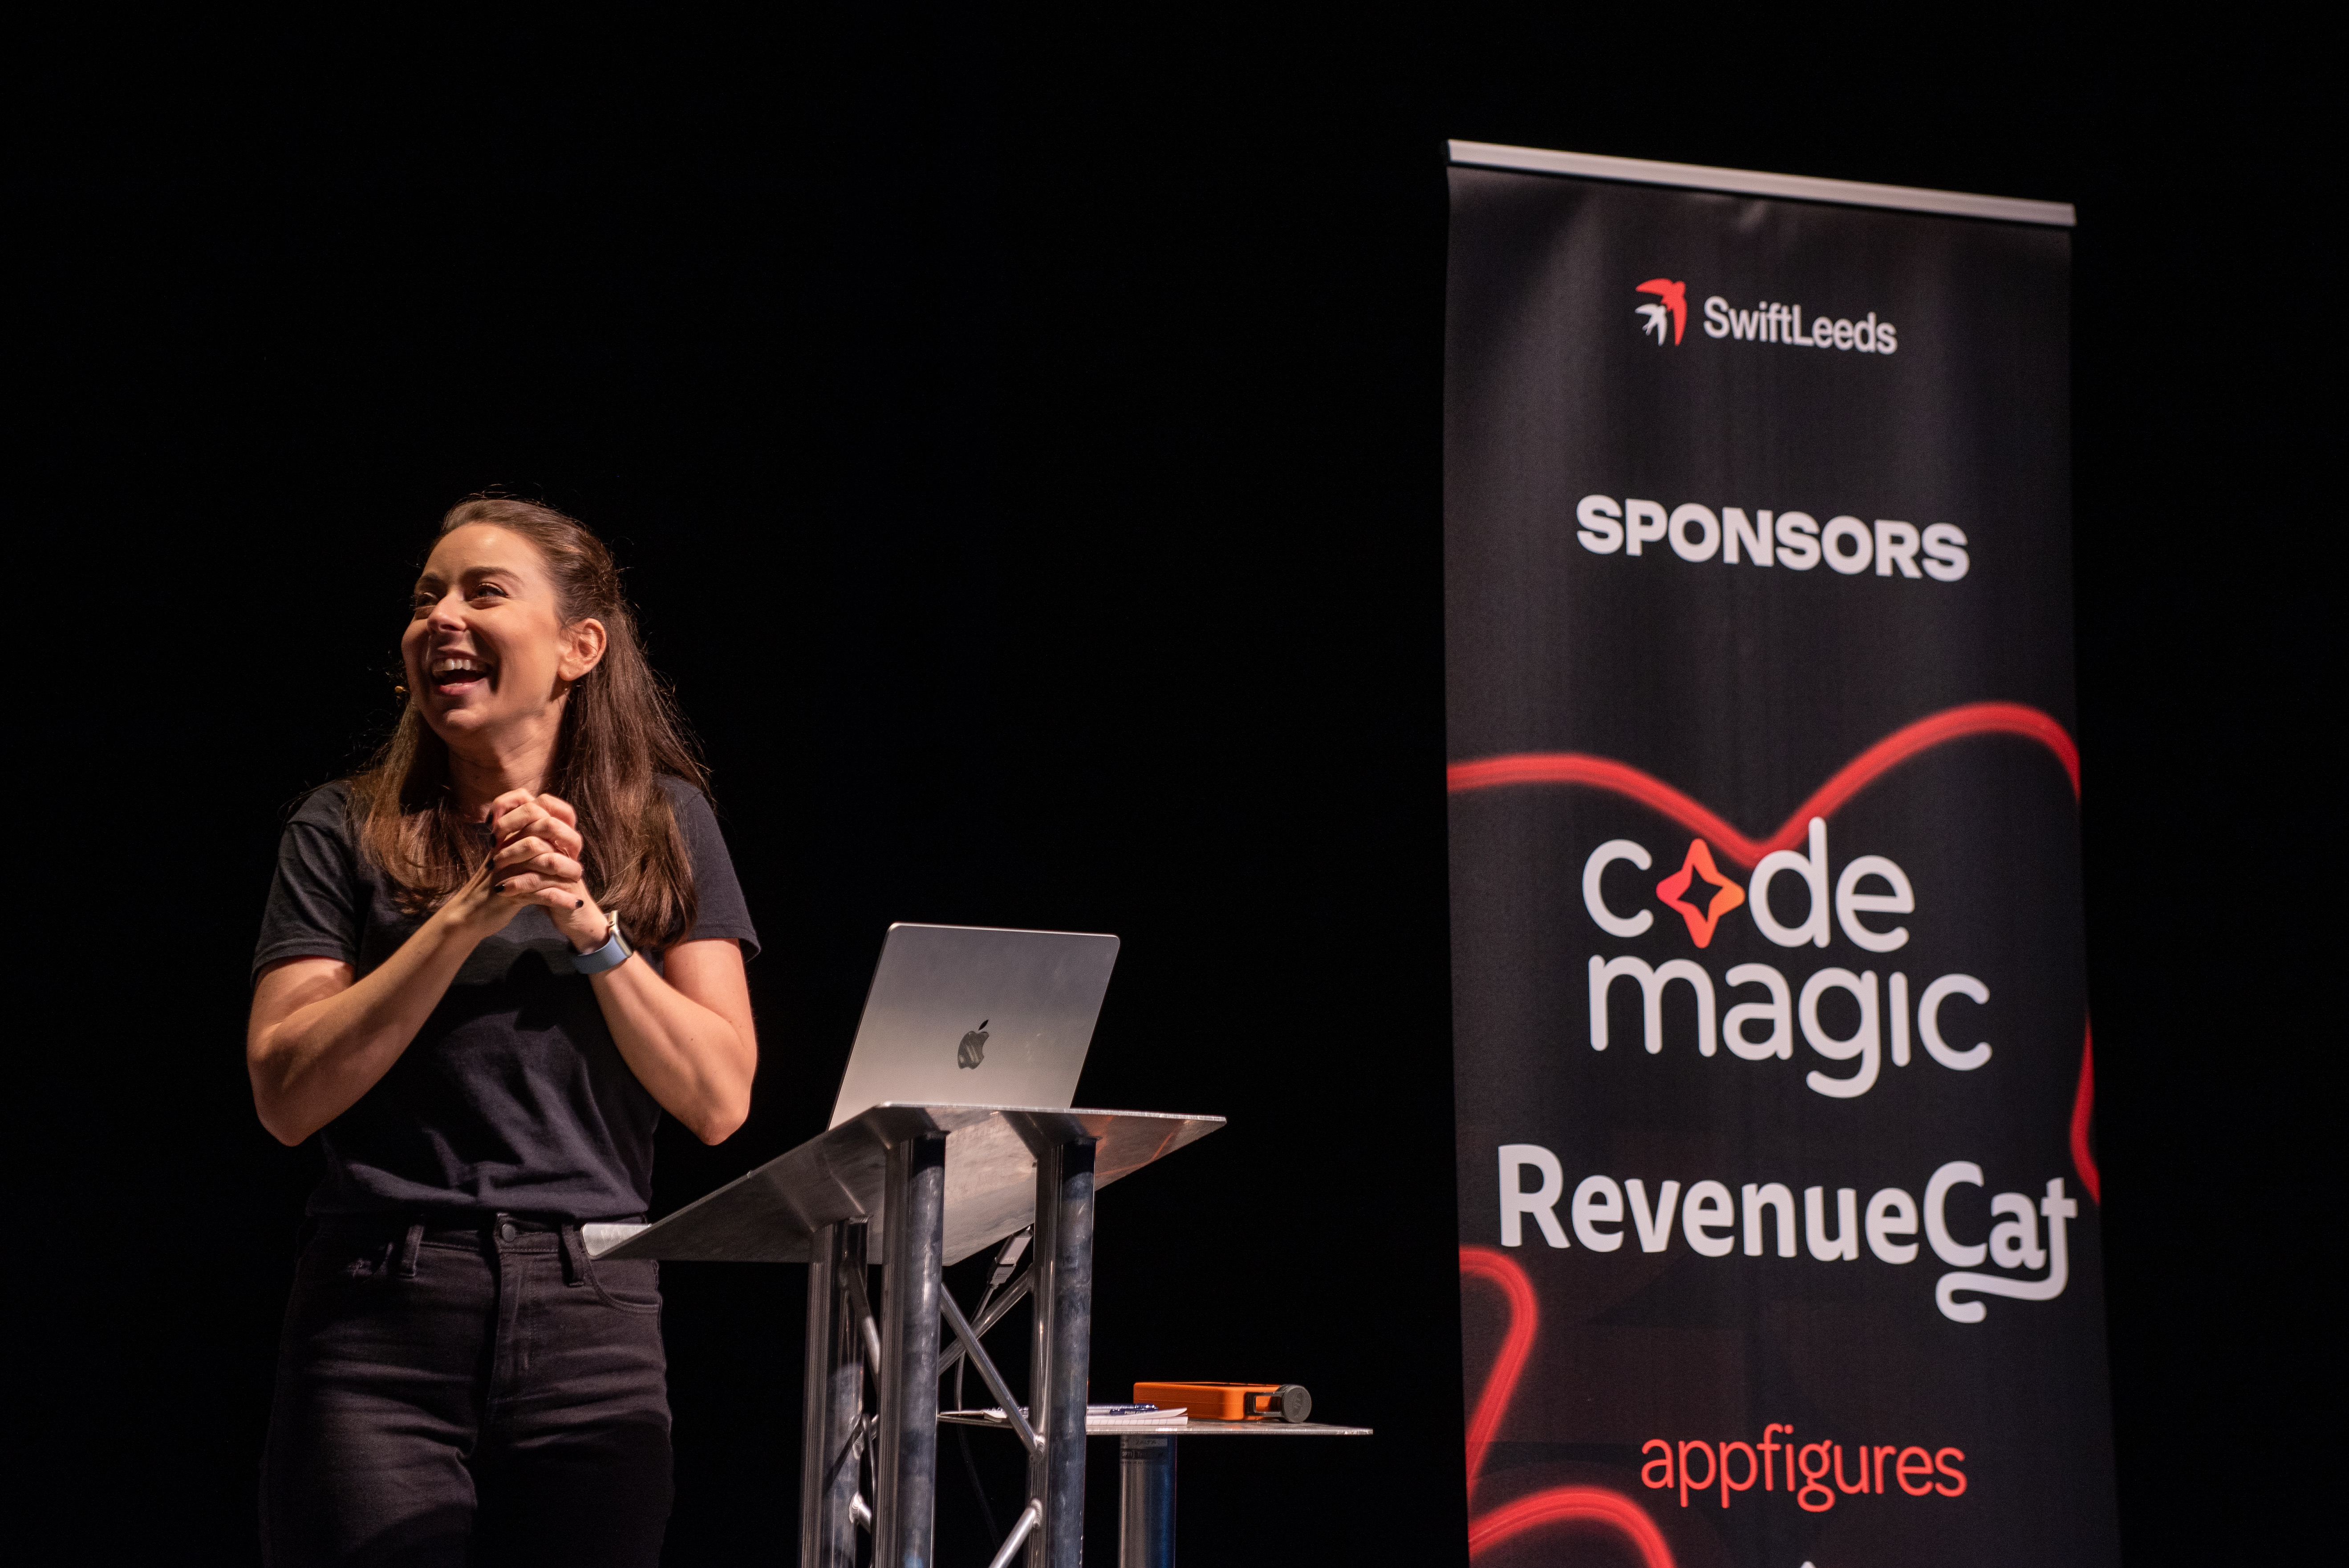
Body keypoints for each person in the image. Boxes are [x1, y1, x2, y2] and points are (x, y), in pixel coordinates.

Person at [247, 497, 759, 1567]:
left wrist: (590, 927)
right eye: (426, 595)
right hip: (381, 1309)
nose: (442, 617)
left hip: (596, 1307)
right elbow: (286, 1092)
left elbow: (719, 1099)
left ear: (580, 647)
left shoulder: (665, 822)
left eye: (483, 591)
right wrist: (467, 911)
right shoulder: (343, 826)